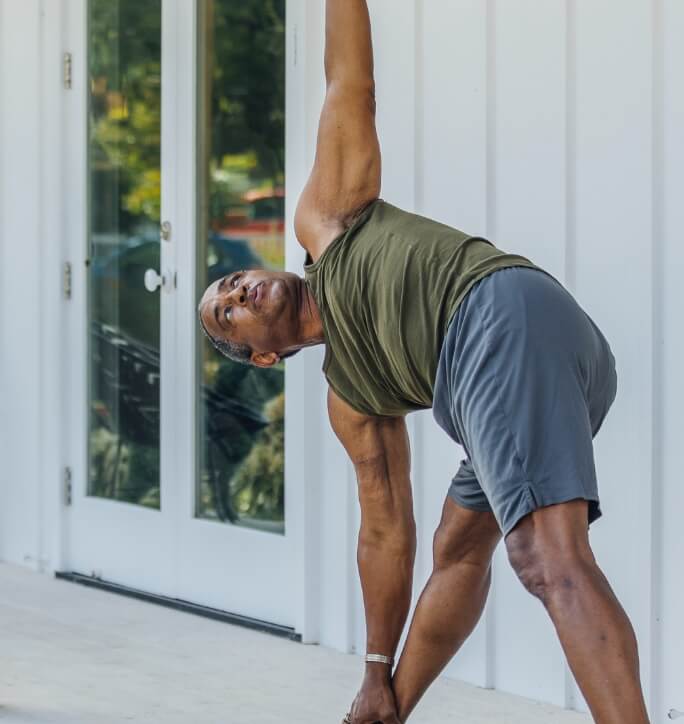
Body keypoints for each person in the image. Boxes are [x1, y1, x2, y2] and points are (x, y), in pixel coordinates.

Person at [198, 2, 651, 722]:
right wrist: (376, 670)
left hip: (495, 322)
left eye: (230, 282)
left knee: (546, 558)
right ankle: (387, 710)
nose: (238, 289)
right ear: (262, 354)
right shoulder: (352, 399)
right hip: (543, 364)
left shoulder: (327, 221)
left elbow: (349, 83)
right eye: (229, 310)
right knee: (457, 542)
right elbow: (385, 533)